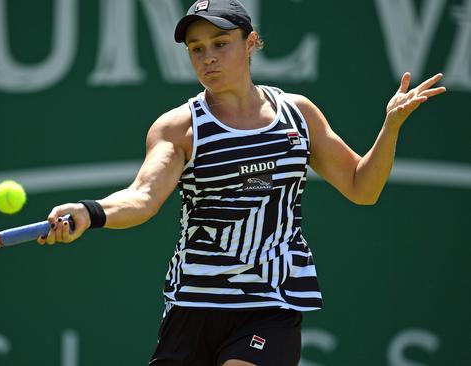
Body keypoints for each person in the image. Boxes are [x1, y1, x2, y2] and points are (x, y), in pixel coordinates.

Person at [37, 1, 447, 365]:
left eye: (220, 43)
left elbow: (363, 187)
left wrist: (390, 127)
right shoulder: (178, 128)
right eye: (197, 49)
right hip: (192, 306)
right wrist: (90, 213)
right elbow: (143, 196)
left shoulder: (298, 115)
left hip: (270, 303)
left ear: (251, 43)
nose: (208, 58)